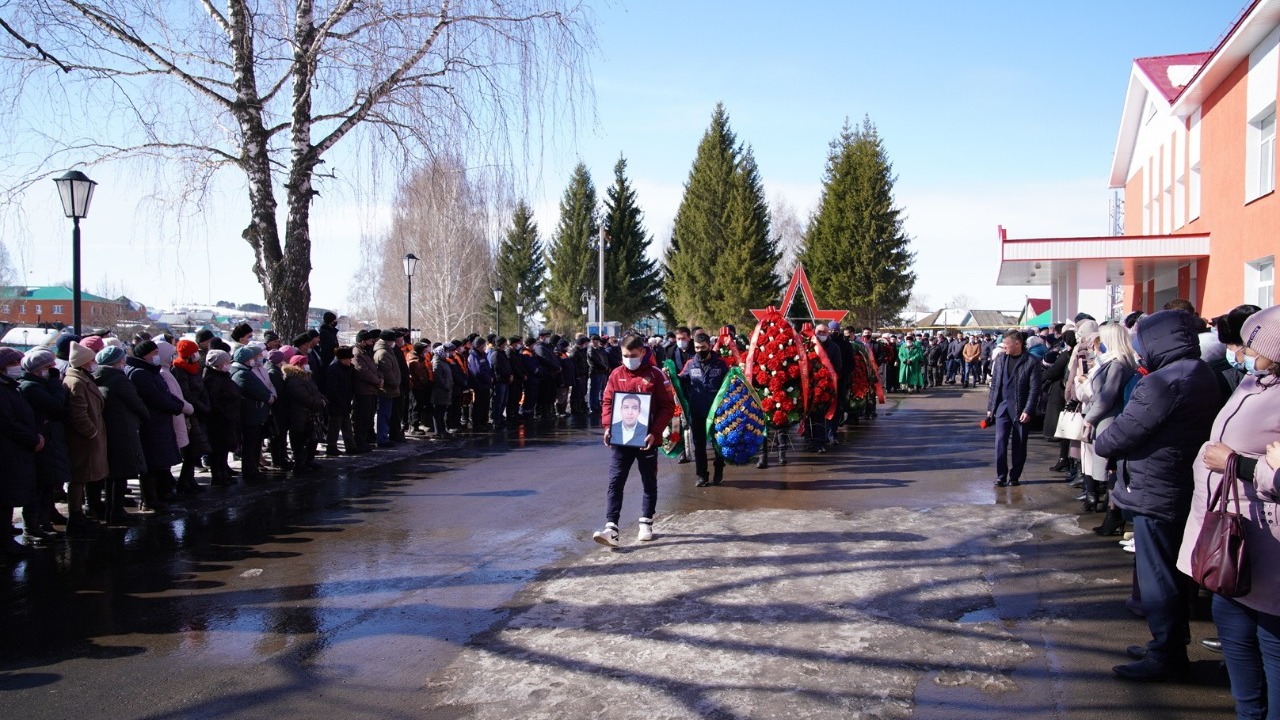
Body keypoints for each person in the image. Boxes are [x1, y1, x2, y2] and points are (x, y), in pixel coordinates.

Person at [1094, 309, 1218, 681]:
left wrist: (1105, 437)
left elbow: (1118, 436)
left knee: (1157, 579)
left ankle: (1166, 654)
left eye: (1142, 343)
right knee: (1173, 576)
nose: (1139, 351)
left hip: (1156, 490)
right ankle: (1168, 644)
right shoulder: (1200, 372)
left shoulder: (1162, 382)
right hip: (1179, 485)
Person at [1174, 306, 1280, 715]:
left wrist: (1237, 463)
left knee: (1271, 647)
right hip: (1233, 535)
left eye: (1251, 347)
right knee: (1234, 636)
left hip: (1268, 546)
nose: (1241, 353)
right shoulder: (1254, 382)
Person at [593, 335, 675, 547]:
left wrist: (655, 432)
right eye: (625, 355)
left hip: (647, 440)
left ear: (643, 352)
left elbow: (667, 406)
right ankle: (611, 528)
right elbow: (608, 402)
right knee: (615, 481)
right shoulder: (616, 374)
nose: (629, 359)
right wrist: (608, 426)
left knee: (648, 480)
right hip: (621, 439)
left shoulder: (656, 375)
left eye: (633, 355)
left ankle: (646, 521)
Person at [1077, 322, 1138, 513]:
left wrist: (1089, 417)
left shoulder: (1117, 364)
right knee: (1109, 468)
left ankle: (1114, 514)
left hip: (1108, 420)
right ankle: (1112, 512)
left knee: (1110, 468)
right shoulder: (1115, 362)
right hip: (1107, 418)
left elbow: (1106, 397)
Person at [16, 349, 70, 541]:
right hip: (39, 441)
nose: (54, 368)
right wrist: (55, 382)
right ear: (39, 368)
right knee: (38, 486)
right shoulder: (31, 387)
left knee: (47, 483)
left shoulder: (39, 384)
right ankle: (33, 527)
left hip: (47, 439)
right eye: (49, 366)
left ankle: (44, 522)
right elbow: (55, 405)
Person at [986, 329, 1044, 487]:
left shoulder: (1031, 362)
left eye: (1006, 343)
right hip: (1002, 408)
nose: (1003, 346)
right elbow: (995, 385)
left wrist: (1028, 409)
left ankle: (1014, 476)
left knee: (1019, 444)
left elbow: (1035, 389)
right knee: (1000, 442)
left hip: (1021, 409)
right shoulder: (1000, 360)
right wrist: (991, 407)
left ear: (1017, 343)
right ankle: (1001, 476)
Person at [0, 347, 43, 558]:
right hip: (8, 450)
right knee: (5, 498)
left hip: (15, 449)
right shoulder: (3, 390)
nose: (17, 367)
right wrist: (32, 438)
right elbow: (7, 422)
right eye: (13, 363)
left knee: (8, 498)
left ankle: (6, 540)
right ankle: (5, 545)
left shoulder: (10, 387)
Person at [62, 341, 108, 534]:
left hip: (90, 438)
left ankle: (80, 513)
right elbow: (78, 413)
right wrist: (92, 432)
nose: (94, 363)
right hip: (84, 440)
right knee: (79, 477)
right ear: (84, 362)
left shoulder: (83, 378)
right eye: (91, 360)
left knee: (84, 476)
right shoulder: (76, 382)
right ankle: (75, 515)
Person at [679, 332, 728, 487]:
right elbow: (680, 380)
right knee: (699, 444)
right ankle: (702, 475)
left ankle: (718, 469)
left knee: (718, 443)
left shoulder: (720, 364)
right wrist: (670, 375)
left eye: (703, 347)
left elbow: (729, 383)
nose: (700, 350)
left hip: (717, 411)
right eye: (697, 348)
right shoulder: (690, 364)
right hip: (697, 410)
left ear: (710, 346)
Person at [172, 339, 210, 495]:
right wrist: (201, 407)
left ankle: (190, 479)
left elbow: (202, 388)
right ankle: (184, 481)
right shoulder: (179, 370)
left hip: (199, 411)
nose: (197, 355)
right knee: (190, 450)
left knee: (196, 449)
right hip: (190, 413)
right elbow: (186, 394)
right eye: (194, 353)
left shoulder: (195, 368)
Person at [230, 346, 271, 486]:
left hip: (254, 413)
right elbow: (255, 390)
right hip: (250, 414)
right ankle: (249, 471)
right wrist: (267, 397)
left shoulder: (245, 371)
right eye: (252, 358)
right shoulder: (241, 374)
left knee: (254, 443)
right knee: (249, 444)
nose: (254, 360)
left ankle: (253, 468)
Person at [201, 349, 241, 486]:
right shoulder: (212, 378)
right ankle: (217, 475)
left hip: (228, 418)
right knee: (217, 448)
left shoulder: (223, 376)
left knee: (224, 447)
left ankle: (223, 472)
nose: (228, 364)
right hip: (218, 419)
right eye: (226, 361)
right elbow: (214, 400)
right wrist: (224, 413)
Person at [282, 355, 325, 475]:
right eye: (305, 363)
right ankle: (299, 463)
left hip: (310, 413)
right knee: (299, 439)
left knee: (311, 438)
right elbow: (302, 397)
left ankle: (308, 460)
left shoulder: (306, 376)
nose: (307, 365)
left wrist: (322, 399)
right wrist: (317, 402)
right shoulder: (293, 379)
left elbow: (315, 391)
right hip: (299, 413)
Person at [323, 346, 357, 455]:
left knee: (347, 425)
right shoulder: (333, 369)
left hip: (345, 400)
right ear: (343, 359)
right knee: (335, 426)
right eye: (349, 358)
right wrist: (340, 401)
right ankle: (331, 446)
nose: (351, 360)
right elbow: (332, 389)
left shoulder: (348, 368)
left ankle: (350, 446)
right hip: (336, 402)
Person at [352, 330, 382, 452]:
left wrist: (380, 378)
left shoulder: (366, 353)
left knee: (369, 418)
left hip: (371, 390)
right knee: (362, 418)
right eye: (369, 341)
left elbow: (375, 368)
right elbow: (363, 372)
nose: (371, 343)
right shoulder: (357, 354)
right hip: (363, 391)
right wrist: (377, 381)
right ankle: (360, 441)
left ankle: (365, 440)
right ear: (363, 341)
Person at [429, 344, 455, 435]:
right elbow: (438, 378)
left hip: (445, 390)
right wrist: (445, 386)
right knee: (438, 412)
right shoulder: (437, 362)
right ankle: (439, 431)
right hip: (440, 391)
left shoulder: (443, 361)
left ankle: (442, 430)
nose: (448, 353)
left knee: (442, 411)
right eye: (447, 351)